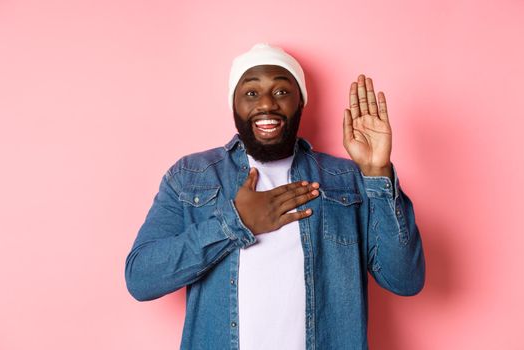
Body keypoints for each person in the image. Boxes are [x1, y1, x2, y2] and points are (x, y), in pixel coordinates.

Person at [125, 43, 425, 350]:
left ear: (301, 102)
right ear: (234, 103)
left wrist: (377, 173)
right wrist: (235, 223)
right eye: (251, 93)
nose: (266, 104)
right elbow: (142, 278)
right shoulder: (192, 175)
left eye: (282, 91)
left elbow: (405, 280)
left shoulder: (346, 179)